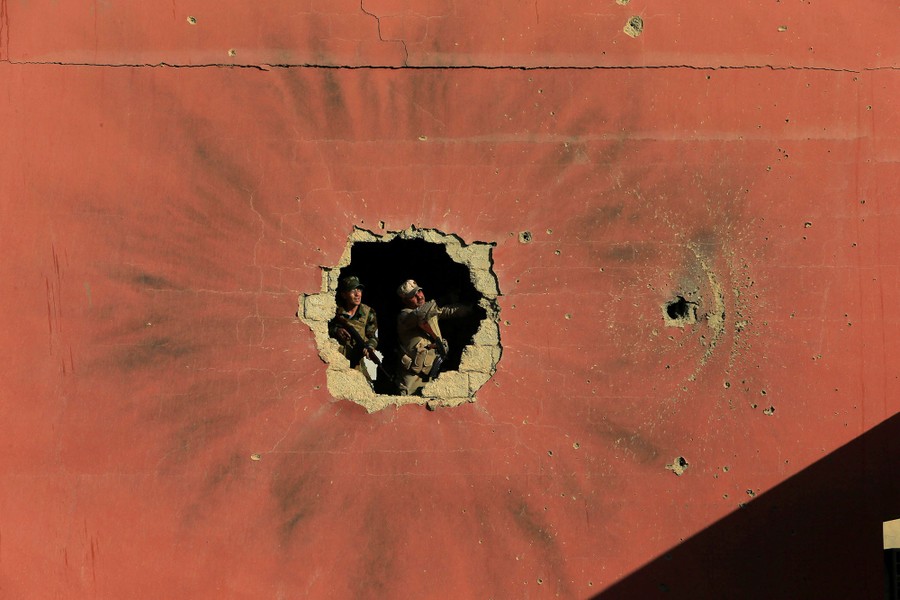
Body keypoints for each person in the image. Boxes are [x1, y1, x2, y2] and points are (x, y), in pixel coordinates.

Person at [395, 279, 472, 396]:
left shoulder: (429, 312)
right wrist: (443, 299)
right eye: (413, 295)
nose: (419, 296)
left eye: (419, 291)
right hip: (414, 378)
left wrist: (472, 308)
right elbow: (420, 313)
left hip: (433, 372)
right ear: (405, 300)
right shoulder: (405, 317)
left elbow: (448, 311)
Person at [328, 276, 378, 380]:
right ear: (344, 294)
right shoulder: (334, 311)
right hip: (337, 362)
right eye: (352, 290)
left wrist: (370, 347)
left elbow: (373, 337)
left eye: (359, 290)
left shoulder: (368, 313)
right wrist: (336, 331)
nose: (357, 294)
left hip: (357, 363)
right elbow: (323, 330)